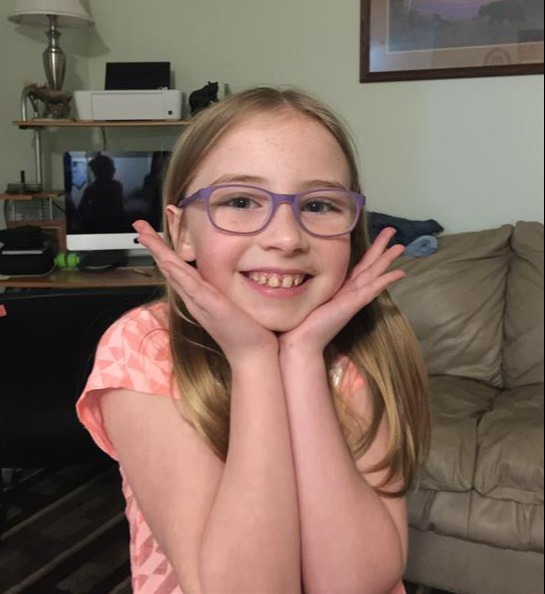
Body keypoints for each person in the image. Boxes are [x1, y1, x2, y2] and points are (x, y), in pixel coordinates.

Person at [77, 86, 430, 594]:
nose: (286, 238)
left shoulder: (362, 349)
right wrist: (255, 360)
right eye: (240, 200)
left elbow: (354, 584)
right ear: (183, 233)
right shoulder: (146, 348)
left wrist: (304, 357)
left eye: (320, 205)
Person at [77, 154, 125, 233]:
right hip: (100, 225)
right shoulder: (92, 188)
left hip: (111, 224)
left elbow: (120, 208)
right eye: (111, 168)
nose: (114, 170)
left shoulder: (116, 186)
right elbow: (81, 210)